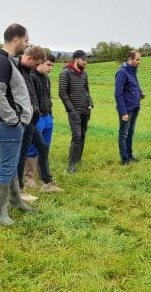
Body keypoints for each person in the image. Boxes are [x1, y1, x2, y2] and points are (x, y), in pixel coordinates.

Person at [0, 23, 35, 225]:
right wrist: (13, 119)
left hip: (10, 123)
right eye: (25, 39)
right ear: (16, 39)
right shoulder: (1, 62)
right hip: (6, 123)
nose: (27, 43)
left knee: (12, 164)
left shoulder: (8, 61)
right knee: (6, 166)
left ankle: (16, 200)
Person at [25, 54, 64, 193]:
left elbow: (47, 98)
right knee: (32, 148)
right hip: (37, 118)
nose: (50, 68)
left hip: (48, 117)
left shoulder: (46, 79)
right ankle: (29, 177)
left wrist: (51, 116)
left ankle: (44, 178)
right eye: (48, 64)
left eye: (52, 65)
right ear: (39, 62)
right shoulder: (31, 77)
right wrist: (35, 118)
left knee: (45, 148)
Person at [16, 45, 48, 202]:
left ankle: (47, 182)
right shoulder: (16, 70)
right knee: (21, 154)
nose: (36, 68)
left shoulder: (28, 71)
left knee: (42, 145)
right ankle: (20, 189)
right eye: (36, 64)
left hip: (31, 119)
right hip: (23, 119)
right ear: (29, 58)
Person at [59, 50, 93, 173]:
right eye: (83, 59)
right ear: (76, 59)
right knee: (76, 136)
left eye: (86, 60)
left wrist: (90, 103)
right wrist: (71, 110)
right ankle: (71, 165)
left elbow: (86, 90)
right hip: (74, 111)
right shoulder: (65, 73)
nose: (85, 62)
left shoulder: (84, 74)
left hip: (85, 110)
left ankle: (78, 159)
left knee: (83, 134)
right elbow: (62, 93)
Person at [115, 51, 144, 165]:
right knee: (124, 134)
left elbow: (135, 85)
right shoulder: (122, 73)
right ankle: (124, 159)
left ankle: (130, 154)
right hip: (126, 109)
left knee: (130, 133)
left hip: (135, 107)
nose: (139, 62)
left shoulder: (133, 71)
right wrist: (123, 112)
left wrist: (140, 93)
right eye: (137, 60)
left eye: (139, 60)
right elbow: (118, 94)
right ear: (130, 59)